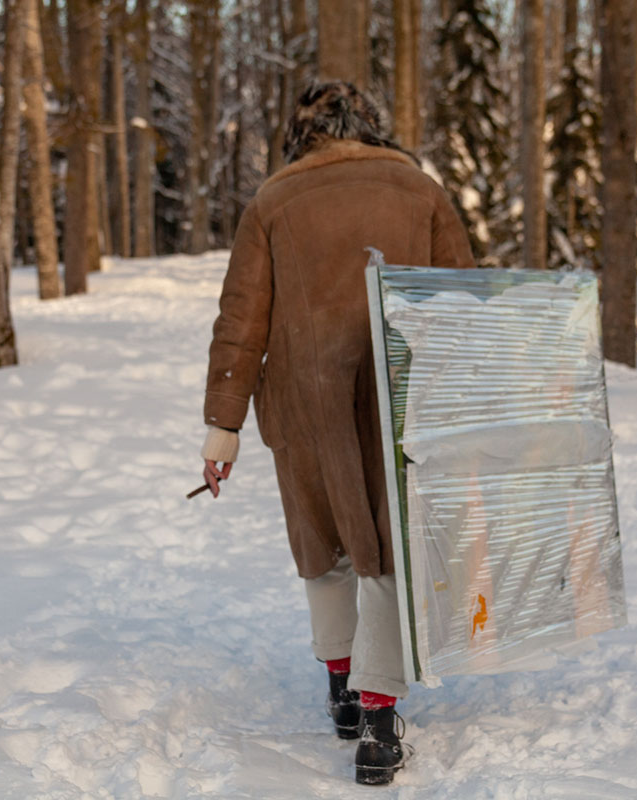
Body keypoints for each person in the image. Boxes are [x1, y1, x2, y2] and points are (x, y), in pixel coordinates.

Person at [199, 81, 475, 786]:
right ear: (373, 127)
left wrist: (221, 426)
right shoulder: (420, 190)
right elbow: (462, 300)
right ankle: (380, 726)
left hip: (304, 397)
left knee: (323, 540)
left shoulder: (274, 201)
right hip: (401, 393)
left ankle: (342, 688)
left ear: (302, 134)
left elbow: (242, 319)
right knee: (385, 543)